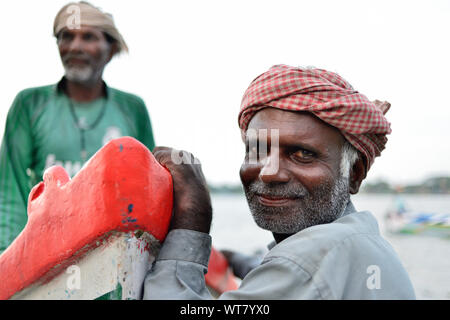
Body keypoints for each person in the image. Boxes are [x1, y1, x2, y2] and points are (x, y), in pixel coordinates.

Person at [143, 65, 416, 299]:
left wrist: (193, 216)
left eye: (302, 154)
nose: (269, 173)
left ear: (354, 175)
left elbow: (307, 267)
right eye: (257, 151)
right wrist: (254, 266)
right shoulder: (361, 243)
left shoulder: (313, 256)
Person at [0, 2, 155, 252]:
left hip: (113, 251)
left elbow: (148, 189)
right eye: (67, 36)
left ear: (111, 48)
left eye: (88, 37)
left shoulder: (133, 109)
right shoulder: (29, 104)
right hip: (42, 252)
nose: (75, 46)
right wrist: (6, 259)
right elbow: (10, 190)